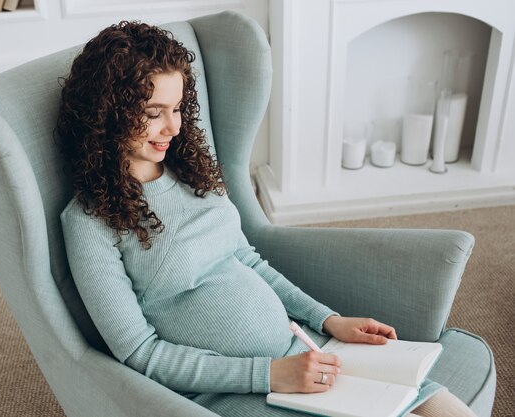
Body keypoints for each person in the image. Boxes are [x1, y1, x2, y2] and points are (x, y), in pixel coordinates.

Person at [56, 20, 477, 417]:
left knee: (429, 399)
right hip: (236, 388)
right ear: (107, 113)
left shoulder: (193, 172)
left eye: (178, 108)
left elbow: (249, 262)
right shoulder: (91, 222)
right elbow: (140, 352)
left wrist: (330, 320)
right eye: (153, 113)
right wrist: (269, 375)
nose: (173, 127)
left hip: (302, 350)